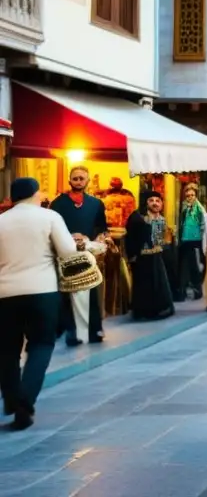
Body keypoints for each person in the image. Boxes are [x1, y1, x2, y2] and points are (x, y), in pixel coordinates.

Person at [0, 178, 78, 431]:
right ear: (35, 194)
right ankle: (25, 401)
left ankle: (11, 400)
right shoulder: (49, 217)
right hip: (42, 290)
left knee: (7, 350)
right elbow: (68, 252)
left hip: (5, 293)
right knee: (41, 344)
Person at [49, 165, 109, 346]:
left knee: (90, 289)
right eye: (75, 178)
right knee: (66, 292)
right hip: (65, 253)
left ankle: (94, 331)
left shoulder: (96, 204)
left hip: (87, 253)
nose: (78, 181)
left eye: (82, 178)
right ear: (69, 181)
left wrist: (100, 238)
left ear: (88, 181)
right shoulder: (57, 203)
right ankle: (70, 331)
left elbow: (102, 228)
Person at [124, 191, 176, 321]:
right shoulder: (138, 218)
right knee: (144, 285)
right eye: (151, 200)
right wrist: (132, 255)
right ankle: (143, 312)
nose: (155, 203)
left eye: (157, 201)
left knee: (159, 283)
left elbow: (163, 240)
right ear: (146, 203)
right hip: (143, 257)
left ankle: (160, 309)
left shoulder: (162, 219)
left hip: (157, 256)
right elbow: (130, 238)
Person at [177, 183, 206, 300]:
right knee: (184, 265)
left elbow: (204, 224)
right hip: (185, 241)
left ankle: (197, 290)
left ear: (196, 196)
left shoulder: (199, 208)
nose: (190, 197)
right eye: (187, 195)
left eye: (192, 195)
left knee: (195, 265)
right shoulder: (183, 207)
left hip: (196, 240)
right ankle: (183, 290)